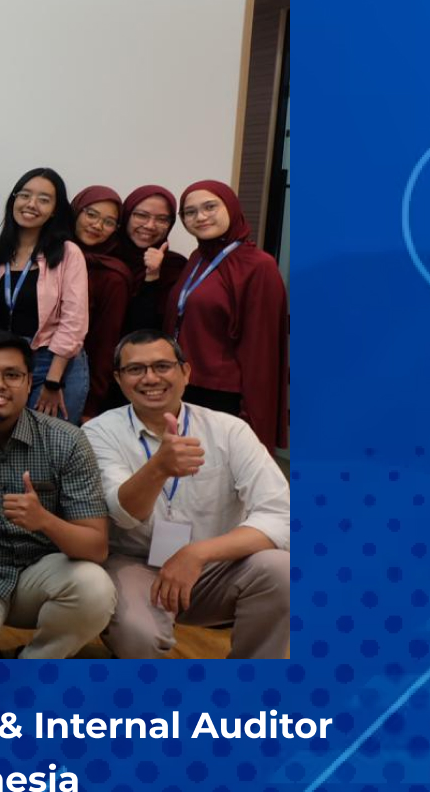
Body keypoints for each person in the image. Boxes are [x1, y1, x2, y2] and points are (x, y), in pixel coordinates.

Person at [83, 330, 290, 658]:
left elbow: (281, 515)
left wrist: (198, 554)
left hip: (213, 567)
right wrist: (159, 468)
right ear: (119, 379)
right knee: (139, 635)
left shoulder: (229, 430)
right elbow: (120, 513)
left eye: (162, 366)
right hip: (134, 564)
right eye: (135, 369)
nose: (150, 378)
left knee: (282, 569)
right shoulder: (98, 432)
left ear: (186, 372)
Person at [0, 331, 114, 659]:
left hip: (41, 571)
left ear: (29, 381)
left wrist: (45, 521)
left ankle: (32, 668)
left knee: (95, 588)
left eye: (12, 375)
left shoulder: (67, 441)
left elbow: (96, 547)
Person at [167, 181, 290, 452]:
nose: (200, 216)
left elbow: (261, 349)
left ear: (231, 208)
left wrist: (253, 414)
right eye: (190, 212)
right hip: (185, 383)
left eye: (210, 207)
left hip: (223, 395)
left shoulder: (259, 266)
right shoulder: (198, 258)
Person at [0, 167, 90, 421]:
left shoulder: (67, 253)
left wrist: (53, 380)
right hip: (9, 362)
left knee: (47, 440)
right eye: (24, 195)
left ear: (55, 209)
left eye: (44, 199)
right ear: (14, 200)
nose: (31, 204)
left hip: (55, 363)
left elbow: (74, 321)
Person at [70, 185, 133, 419]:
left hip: (75, 382)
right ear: (75, 212)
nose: (97, 225)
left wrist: (91, 405)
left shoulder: (112, 276)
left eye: (109, 222)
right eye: (91, 214)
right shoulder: (50, 256)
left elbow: (105, 344)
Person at [116, 185, 189, 337]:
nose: (150, 226)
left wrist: (152, 276)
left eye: (162, 219)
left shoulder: (175, 266)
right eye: (141, 215)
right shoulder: (106, 256)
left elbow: (149, 331)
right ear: (126, 216)